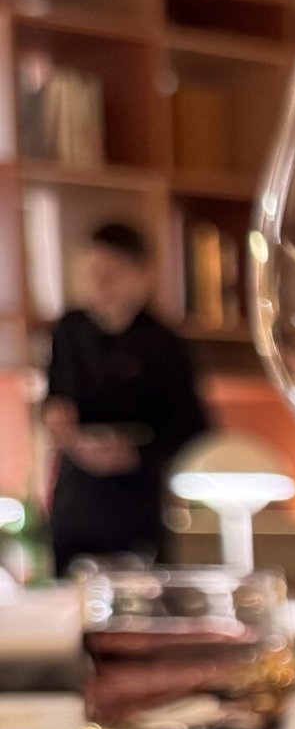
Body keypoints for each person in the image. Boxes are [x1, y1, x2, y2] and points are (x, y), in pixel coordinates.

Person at [43, 222, 210, 575]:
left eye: (112, 274)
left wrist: (132, 455)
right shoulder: (69, 331)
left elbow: (192, 429)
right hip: (75, 502)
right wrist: (55, 418)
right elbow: (55, 396)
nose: (101, 285)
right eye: (94, 274)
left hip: (136, 505)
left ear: (143, 275)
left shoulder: (164, 344)